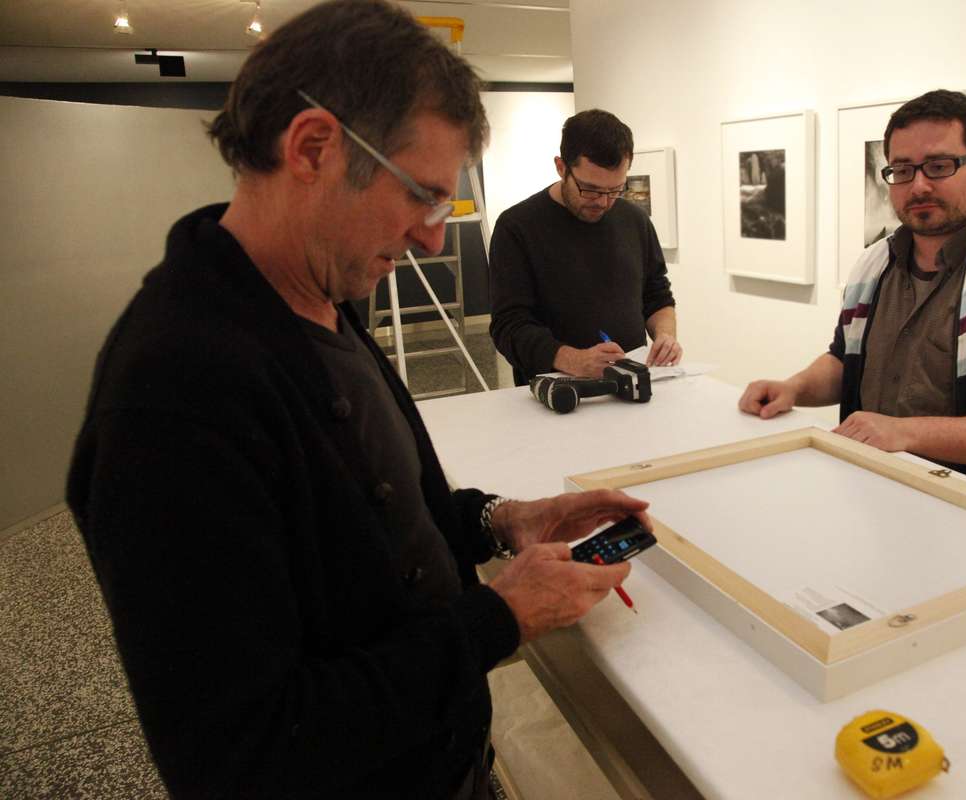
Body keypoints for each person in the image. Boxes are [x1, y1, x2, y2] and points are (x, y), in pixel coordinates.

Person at [66, 3, 646, 797]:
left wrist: (497, 520)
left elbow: (375, 520)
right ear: (313, 148)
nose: (436, 239)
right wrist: (498, 617)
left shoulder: (319, 301)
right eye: (423, 195)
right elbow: (241, 750)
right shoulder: (173, 396)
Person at [739, 90, 966, 509]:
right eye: (902, 170)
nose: (919, 184)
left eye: (939, 166)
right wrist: (793, 388)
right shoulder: (873, 264)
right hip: (874, 494)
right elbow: (845, 359)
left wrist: (903, 432)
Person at [488, 109, 681, 384]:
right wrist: (573, 360)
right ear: (561, 167)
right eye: (590, 189)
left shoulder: (634, 220)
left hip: (630, 384)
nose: (603, 202)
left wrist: (665, 336)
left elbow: (656, 294)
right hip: (555, 394)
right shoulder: (517, 226)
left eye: (615, 189)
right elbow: (509, 326)